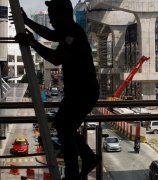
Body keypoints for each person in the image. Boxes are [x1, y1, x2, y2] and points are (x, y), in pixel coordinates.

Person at [15, 0, 100, 179]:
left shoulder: (73, 34)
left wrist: (32, 42)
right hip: (80, 92)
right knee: (65, 127)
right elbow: (51, 35)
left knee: (63, 126)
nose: (51, 20)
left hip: (82, 92)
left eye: (53, 16)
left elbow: (56, 58)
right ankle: (86, 158)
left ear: (63, 15)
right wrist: (27, 22)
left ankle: (74, 170)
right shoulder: (69, 31)